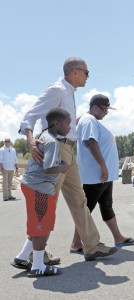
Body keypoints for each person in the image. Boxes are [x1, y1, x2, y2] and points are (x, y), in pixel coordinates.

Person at [19, 57, 118, 262]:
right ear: (74, 71)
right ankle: (34, 253)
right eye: (86, 72)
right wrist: (30, 140)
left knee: (79, 200)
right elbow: (29, 116)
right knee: (46, 203)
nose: (88, 76)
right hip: (57, 149)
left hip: (69, 150)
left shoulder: (69, 93)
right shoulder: (57, 90)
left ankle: (91, 246)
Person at [70, 94, 134, 253]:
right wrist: (103, 165)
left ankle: (118, 237)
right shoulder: (89, 120)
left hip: (102, 175)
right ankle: (76, 243)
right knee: (86, 209)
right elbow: (90, 142)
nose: (107, 113)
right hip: (96, 175)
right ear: (94, 107)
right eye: (104, 109)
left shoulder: (88, 120)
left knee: (106, 206)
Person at [11, 107, 70, 277]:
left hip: (35, 186)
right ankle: (37, 266)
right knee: (41, 227)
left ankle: (22, 257)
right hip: (40, 188)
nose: (69, 127)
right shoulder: (51, 141)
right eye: (67, 124)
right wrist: (63, 167)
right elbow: (50, 168)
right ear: (56, 123)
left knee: (39, 224)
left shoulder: (45, 136)